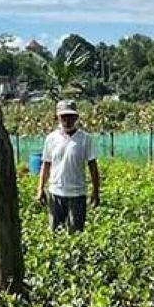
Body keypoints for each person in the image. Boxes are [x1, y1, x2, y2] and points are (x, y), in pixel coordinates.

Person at [37, 99, 100, 232]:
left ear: (76, 117)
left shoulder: (85, 139)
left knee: (76, 234)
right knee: (54, 233)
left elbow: (93, 166)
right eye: (63, 116)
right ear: (57, 117)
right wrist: (40, 188)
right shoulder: (51, 139)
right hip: (55, 192)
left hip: (77, 194)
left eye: (70, 116)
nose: (67, 120)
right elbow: (46, 165)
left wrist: (95, 190)